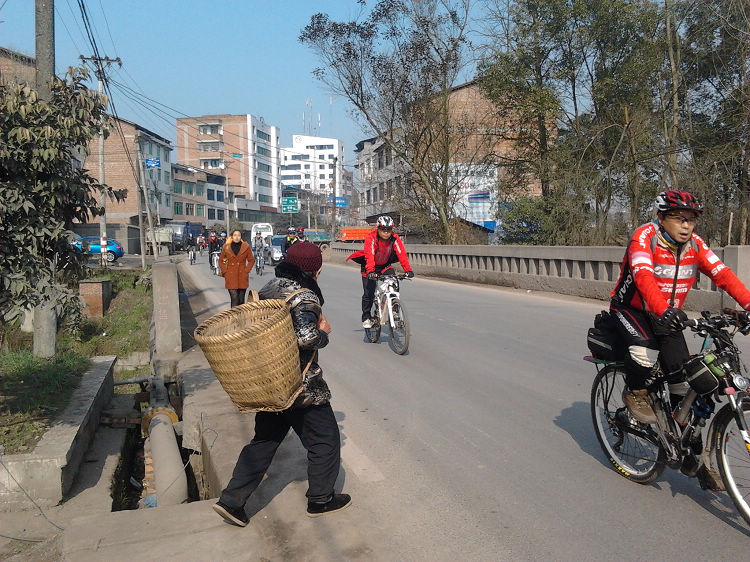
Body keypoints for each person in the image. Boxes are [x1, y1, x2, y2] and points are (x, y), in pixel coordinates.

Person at [213, 242, 350, 527]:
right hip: (300, 387)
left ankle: (231, 502)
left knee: (264, 441)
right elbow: (307, 338)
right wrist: (324, 333)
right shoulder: (305, 297)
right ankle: (321, 499)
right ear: (317, 268)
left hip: (270, 382)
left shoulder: (270, 287)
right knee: (325, 439)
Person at [610, 190, 750, 425]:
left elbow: (722, 274)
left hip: (667, 315)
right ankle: (635, 392)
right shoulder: (644, 237)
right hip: (632, 310)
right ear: (661, 217)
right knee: (645, 354)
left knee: (683, 380)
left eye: (691, 219)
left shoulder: (695, 244)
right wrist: (663, 309)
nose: (686, 226)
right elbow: (643, 276)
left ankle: (680, 439)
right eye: (678, 218)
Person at [347, 216, 414, 328]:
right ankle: (366, 317)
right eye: (383, 229)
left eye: (389, 229)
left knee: (394, 283)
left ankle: (394, 308)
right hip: (370, 267)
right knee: (369, 293)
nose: (386, 233)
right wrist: (370, 271)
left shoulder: (395, 238)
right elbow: (369, 255)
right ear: (378, 228)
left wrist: (408, 270)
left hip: (384, 266)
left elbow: (401, 254)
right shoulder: (371, 238)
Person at [219, 230, 254, 308]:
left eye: (238, 235)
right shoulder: (226, 247)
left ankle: (241, 318)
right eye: (235, 235)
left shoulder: (246, 247)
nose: (237, 237)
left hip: (242, 275)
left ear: (241, 237)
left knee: (241, 300)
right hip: (230, 276)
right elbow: (221, 260)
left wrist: (246, 270)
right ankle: (234, 319)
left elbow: (251, 260)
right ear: (232, 237)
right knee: (234, 298)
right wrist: (225, 271)